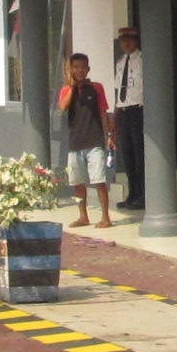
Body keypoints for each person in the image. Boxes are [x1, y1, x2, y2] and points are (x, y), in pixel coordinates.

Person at [57, 52, 113, 227]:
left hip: (94, 140)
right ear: (71, 70)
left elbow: (103, 112)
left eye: (83, 67)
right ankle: (83, 216)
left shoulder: (96, 88)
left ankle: (105, 217)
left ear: (88, 69)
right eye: (76, 67)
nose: (80, 71)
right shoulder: (66, 90)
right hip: (75, 142)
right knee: (77, 182)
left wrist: (109, 135)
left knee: (99, 180)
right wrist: (73, 88)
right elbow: (62, 107)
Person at [113, 26, 145, 213]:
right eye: (123, 40)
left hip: (138, 110)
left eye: (130, 39)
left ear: (136, 41)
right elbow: (119, 92)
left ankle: (142, 195)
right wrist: (115, 116)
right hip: (124, 111)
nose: (126, 43)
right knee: (128, 154)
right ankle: (132, 193)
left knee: (139, 154)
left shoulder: (142, 60)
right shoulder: (120, 62)